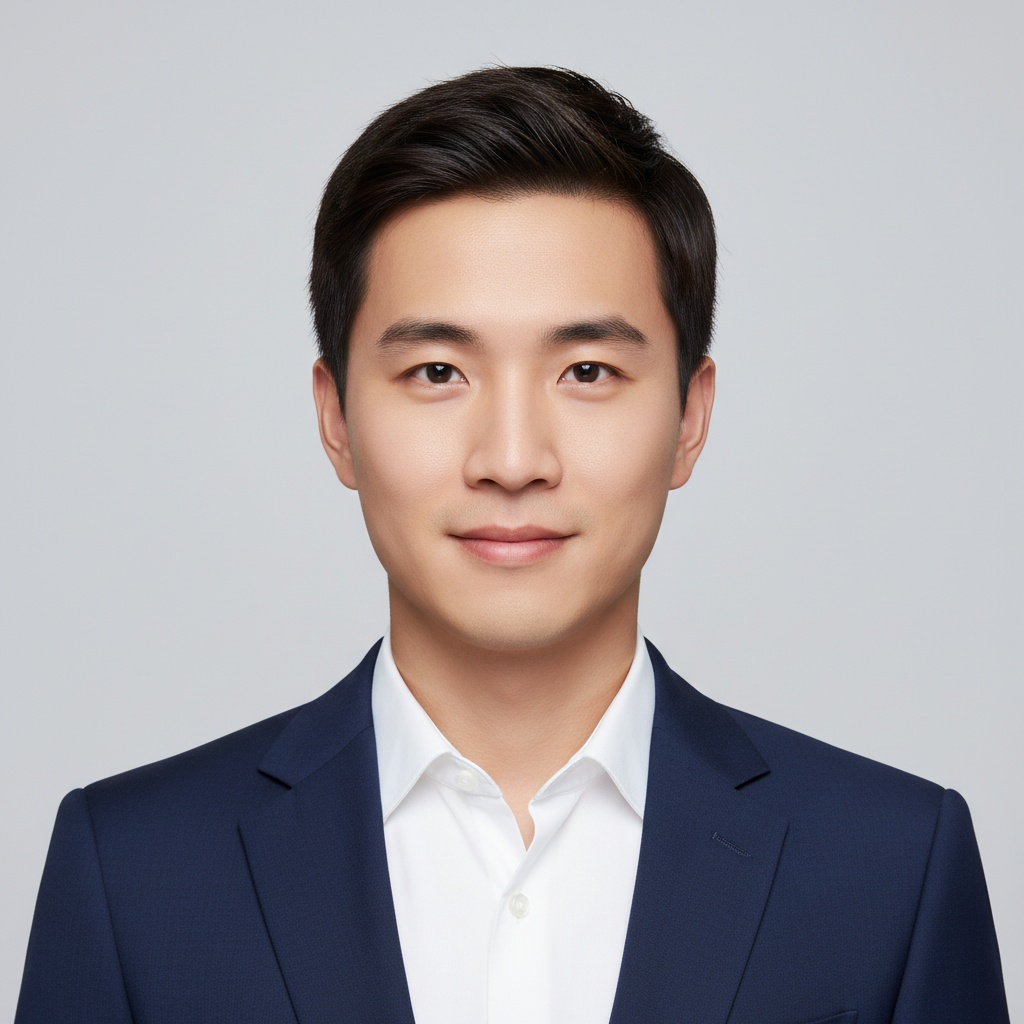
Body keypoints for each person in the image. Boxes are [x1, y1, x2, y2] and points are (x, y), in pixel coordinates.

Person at [15, 66, 1009, 1024]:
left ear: (689, 419)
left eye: (585, 370)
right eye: (439, 370)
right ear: (336, 420)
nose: (512, 458)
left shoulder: (890, 867)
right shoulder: (134, 873)